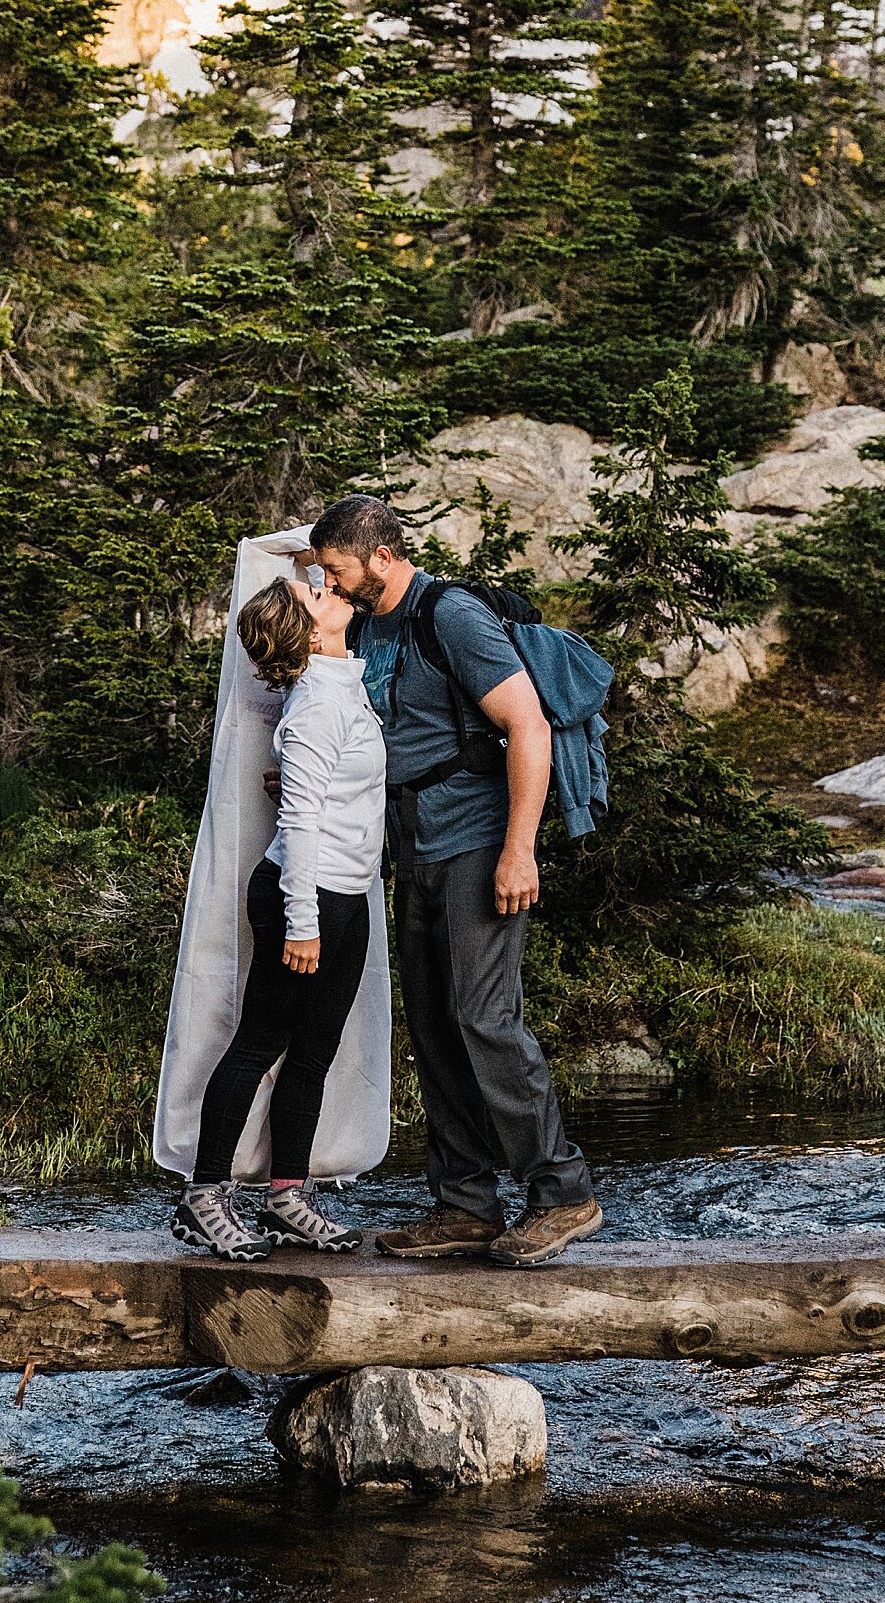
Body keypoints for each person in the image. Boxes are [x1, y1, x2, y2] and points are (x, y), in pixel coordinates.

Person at [310, 494, 603, 1269]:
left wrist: (520, 850)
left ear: (380, 555)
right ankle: (466, 1204)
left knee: (485, 1018)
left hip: (478, 843)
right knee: (436, 1026)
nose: (332, 586)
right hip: (413, 851)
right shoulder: (366, 621)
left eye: (338, 569)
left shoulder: (451, 615)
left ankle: (561, 1193)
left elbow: (528, 725)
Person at [172, 570, 386, 1261]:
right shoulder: (315, 710)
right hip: (306, 896)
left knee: (316, 1050)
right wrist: (301, 923)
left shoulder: (339, 687)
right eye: (315, 595)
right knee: (259, 1044)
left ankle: (287, 1196)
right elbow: (297, 824)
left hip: (347, 897)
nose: (328, 591)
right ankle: (203, 1199)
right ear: (307, 631)